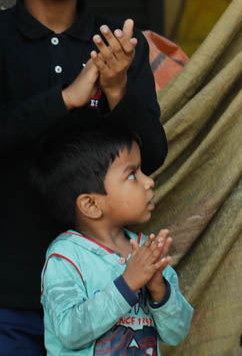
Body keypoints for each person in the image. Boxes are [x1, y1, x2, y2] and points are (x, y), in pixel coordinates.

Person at [0, 0, 167, 355]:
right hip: (10, 293)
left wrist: (118, 91)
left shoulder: (118, 48)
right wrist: (66, 100)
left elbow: (151, 154)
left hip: (107, 295)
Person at [31, 126, 192, 355]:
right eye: (132, 175)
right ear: (91, 205)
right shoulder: (66, 257)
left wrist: (159, 289)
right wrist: (127, 284)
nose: (149, 182)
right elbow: (69, 331)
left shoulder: (147, 250)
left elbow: (177, 332)